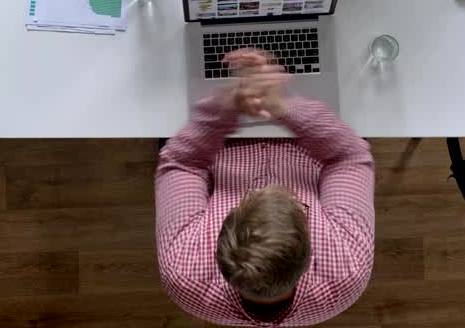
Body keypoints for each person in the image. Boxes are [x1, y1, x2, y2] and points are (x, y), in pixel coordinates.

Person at [155, 49, 374, 325]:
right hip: (310, 139)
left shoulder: (183, 270)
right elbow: (348, 157)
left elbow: (182, 162)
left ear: (221, 241)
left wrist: (229, 105)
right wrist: (284, 107)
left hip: (223, 140)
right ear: (310, 251)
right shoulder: (347, 267)